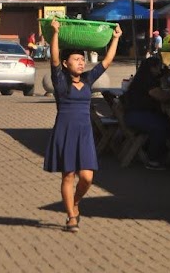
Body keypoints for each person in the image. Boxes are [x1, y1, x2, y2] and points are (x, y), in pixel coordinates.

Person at [44, 18, 121, 232]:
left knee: (87, 177)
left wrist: (115, 38)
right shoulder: (59, 80)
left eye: (82, 59)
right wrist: (56, 34)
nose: (80, 62)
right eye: (76, 59)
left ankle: (75, 202)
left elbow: (107, 62)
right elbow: (54, 59)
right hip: (65, 131)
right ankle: (71, 216)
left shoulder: (87, 79)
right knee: (68, 175)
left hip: (85, 133)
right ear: (67, 63)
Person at [122, 56, 170, 169]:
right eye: (158, 68)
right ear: (152, 68)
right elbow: (159, 95)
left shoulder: (142, 77)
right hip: (137, 116)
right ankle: (153, 159)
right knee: (161, 126)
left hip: (135, 114)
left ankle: (158, 153)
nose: (159, 70)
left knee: (165, 122)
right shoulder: (147, 80)